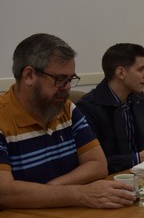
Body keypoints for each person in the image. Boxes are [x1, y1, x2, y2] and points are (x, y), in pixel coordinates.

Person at [0, 33, 135, 209]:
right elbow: (4, 192)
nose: (67, 88)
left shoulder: (66, 109)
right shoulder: (3, 118)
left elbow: (98, 165)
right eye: (60, 79)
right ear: (29, 76)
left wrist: (48, 190)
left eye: (70, 79)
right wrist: (79, 194)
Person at [77, 43, 144, 174]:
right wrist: (140, 157)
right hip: (110, 182)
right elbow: (94, 164)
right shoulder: (87, 108)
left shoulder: (139, 99)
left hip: (143, 177)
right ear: (121, 73)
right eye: (140, 70)